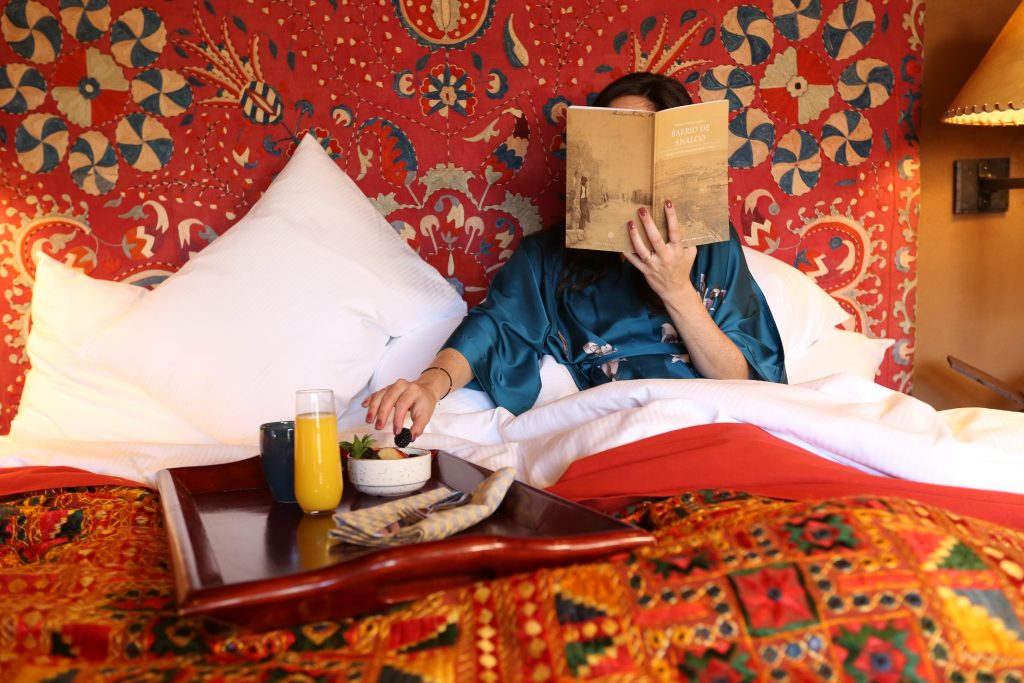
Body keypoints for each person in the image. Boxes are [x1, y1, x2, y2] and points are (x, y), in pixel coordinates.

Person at [365, 71, 787, 439]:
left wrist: (677, 290)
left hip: (716, 425)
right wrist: (430, 385)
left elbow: (743, 380)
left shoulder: (713, 245)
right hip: (621, 426)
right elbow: (493, 327)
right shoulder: (547, 258)